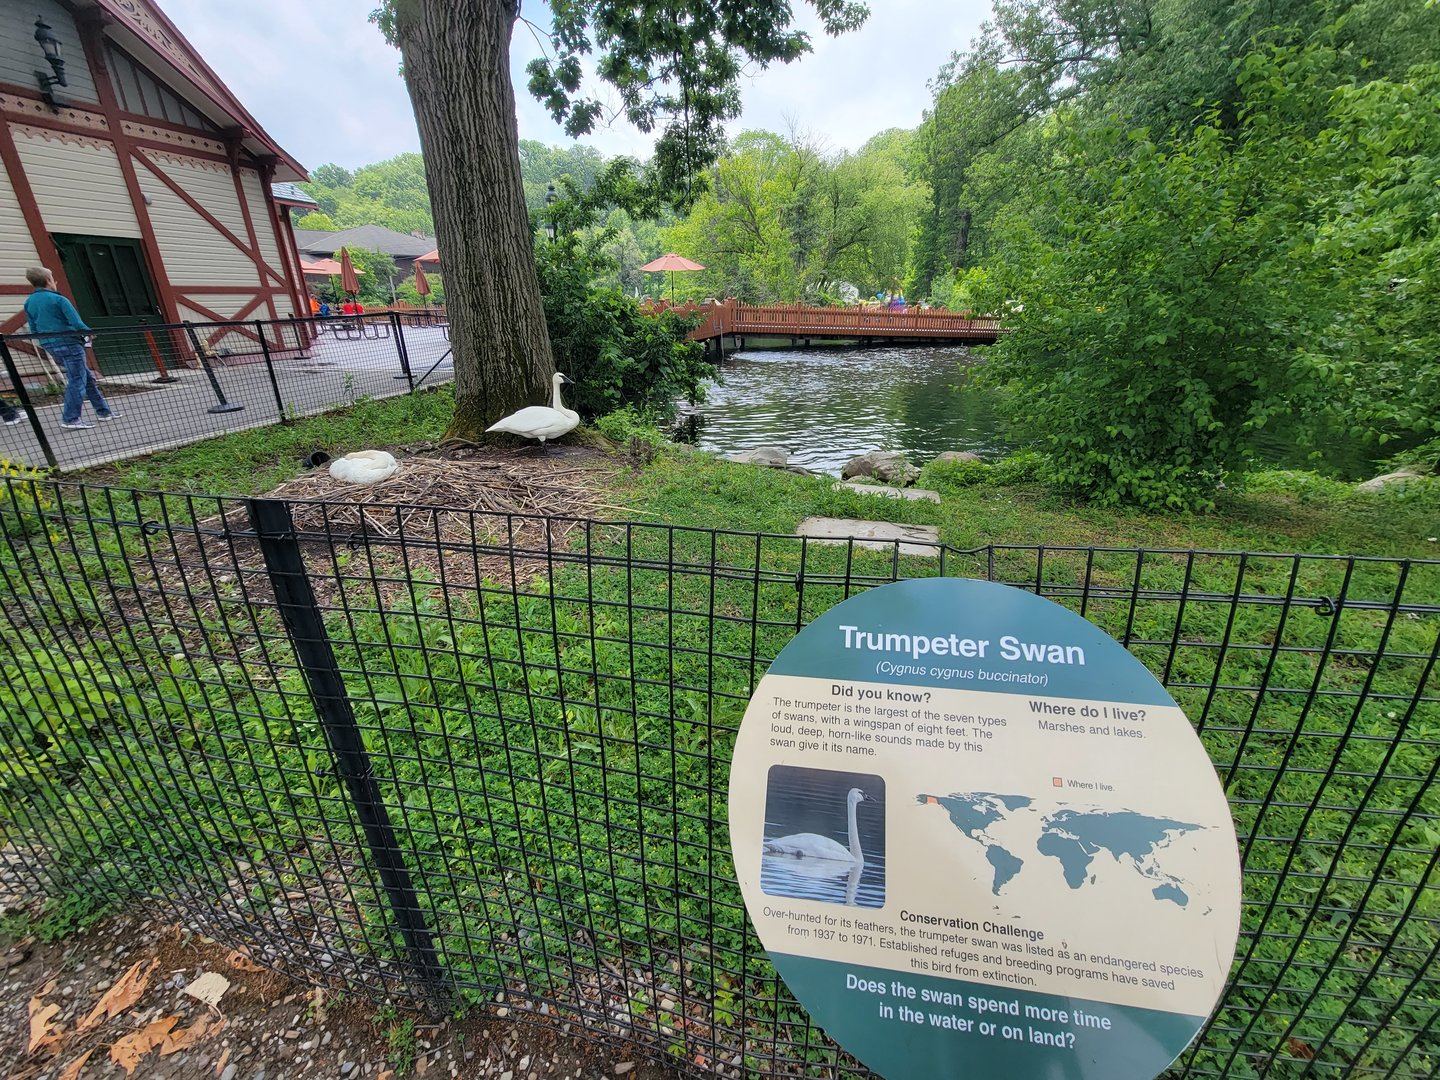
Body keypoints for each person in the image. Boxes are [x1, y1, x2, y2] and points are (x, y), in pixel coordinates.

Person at [23, 267, 115, 430]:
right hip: (69, 342)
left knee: (84, 376)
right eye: (52, 278)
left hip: (49, 344)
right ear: (48, 281)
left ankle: (103, 411)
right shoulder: (59, 300)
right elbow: (76, 322)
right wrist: (89, 333)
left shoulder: (29, 302)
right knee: (77, 380)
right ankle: (71, 418)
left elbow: (33, 327)